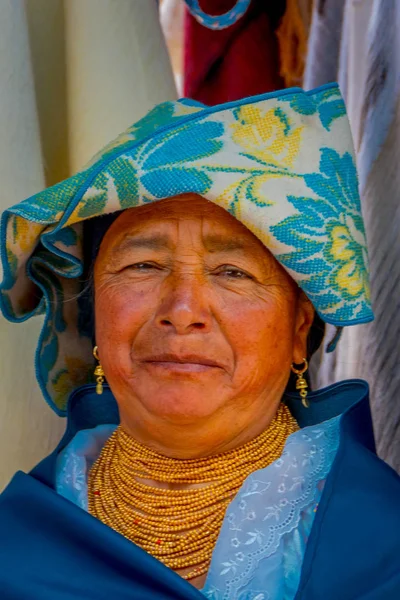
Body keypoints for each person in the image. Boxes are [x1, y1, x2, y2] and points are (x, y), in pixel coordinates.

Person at [0, 84, 399, 600]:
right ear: (93, 316)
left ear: (299, 331)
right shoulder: (17, 542)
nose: (183, 311)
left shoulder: (379, 546)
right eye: (142, 265)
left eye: (232, 272)